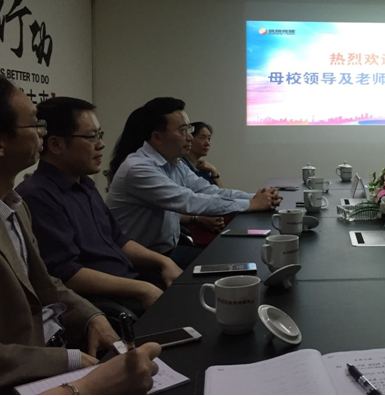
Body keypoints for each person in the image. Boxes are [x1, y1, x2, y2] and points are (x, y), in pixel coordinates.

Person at [0, 76, 160, 392]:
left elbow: (47, 284)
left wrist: (91, 316)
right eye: (34, 125)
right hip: (36, 369)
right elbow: (66, 273)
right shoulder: (36, 195)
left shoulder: (15, 206)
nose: (42, 133)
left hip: (62, 343)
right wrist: (71, 361)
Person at [16, 98, 183, 316]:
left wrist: (163, 261)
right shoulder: (38, 196)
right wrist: (142, 289)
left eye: (99, 134)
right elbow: (67, 274)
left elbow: (119, 239)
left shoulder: (84, 184)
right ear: (56, 145)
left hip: (131, 282)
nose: (101, 144)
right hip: (107, 304)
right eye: (91, 137)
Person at [106, 97, 281, 268]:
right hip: (138, 262)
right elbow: (190, 201)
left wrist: (255, 198)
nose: (190, 137)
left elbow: (208, 190)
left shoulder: (175, 163)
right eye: (183, 130)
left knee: (236, 260)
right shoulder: (138, 168)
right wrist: (251, 204)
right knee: (231, 265)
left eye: (189, 129)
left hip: (167, 251)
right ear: (157, 137)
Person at [183, 122, 223, 187]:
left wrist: (214, 172)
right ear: (189, 138)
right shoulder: (181, 165)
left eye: (209, 139)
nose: (207, 143)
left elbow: (221, 192)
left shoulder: (204, 168)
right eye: (202, 138)